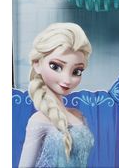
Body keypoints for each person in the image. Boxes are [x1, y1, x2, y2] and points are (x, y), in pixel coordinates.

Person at [19, 23, 94, 168]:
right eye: (56, 67)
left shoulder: (79, 116)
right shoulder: (38, 121)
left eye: (76, 71)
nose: (67, 80)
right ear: (37, 64)